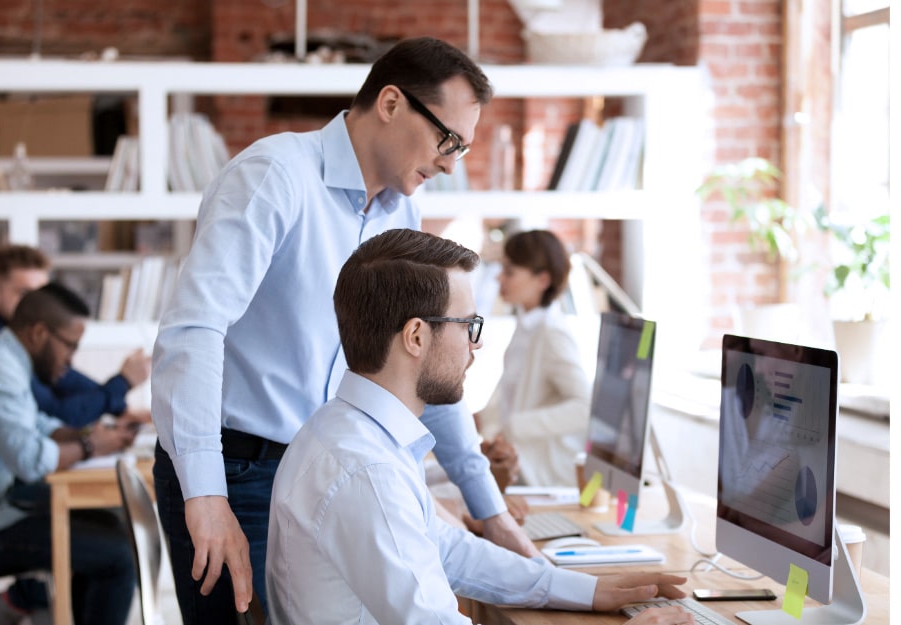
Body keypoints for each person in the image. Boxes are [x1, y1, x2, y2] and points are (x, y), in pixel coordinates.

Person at [151, 36, 538, 622]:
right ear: (389, 103)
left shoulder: (399, 211)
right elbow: (194, 329)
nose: (450, 163)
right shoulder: (273, 175)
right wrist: (205, 496)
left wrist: (490, 510)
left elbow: (425, 361)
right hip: (238, 470)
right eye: (447, 139)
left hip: (329, 471)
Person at [266, 228, 691, 624]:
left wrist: (583, 589)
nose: (477, 342)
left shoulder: (347, 432)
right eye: (468, 325)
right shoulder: (367, 471)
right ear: (416, 337)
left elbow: (445, 550)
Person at [0, 282, 139, 625]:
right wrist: (91, 446)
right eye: (70, 346)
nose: (71, 359)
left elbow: (36, 424)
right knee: (116, 554)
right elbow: (29, 460)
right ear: (39, 333)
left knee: (108, 528)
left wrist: (90, 434)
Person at [0, 244, 152, 428]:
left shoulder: (19, 338)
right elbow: (54, 412)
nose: (38, 305)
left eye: (43, 296)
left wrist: (120, 407)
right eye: (25, 294)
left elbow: (67, 380)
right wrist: (122, 383)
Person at [476, 229, 592, 487]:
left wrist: (514, 427)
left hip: (538, 475)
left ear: (542, 280)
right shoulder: (527, 326)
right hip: (515, 465)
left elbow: (584, 407)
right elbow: (513, 396)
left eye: (509, 271)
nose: (499, 278)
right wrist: (480, 419)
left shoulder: (552, 334)